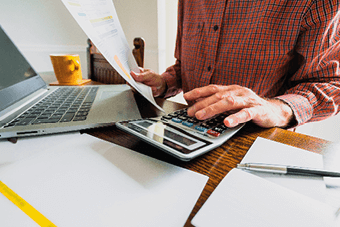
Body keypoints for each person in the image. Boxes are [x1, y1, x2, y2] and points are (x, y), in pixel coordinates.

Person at [131, 0, 340, 129]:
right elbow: (184, 65)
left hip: (257, 142)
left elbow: (329, 83)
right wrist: (165, 82)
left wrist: (275, 110)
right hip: (188, 130)